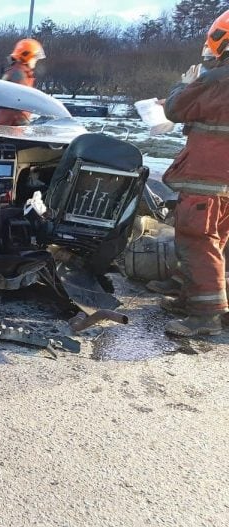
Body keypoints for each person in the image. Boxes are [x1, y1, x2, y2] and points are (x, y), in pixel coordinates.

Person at [159, 9, 229, 337]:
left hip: (206, 177)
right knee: (214, 240)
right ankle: (196, 299)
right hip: (224, 184)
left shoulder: (216, 78)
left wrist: (182, 84)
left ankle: (205, 316)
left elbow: (176, 108)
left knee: (196, 239)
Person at [0, 38, 46, 126]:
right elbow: (18, 103)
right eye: (35, 58)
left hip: (9, 128)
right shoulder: (18, 74)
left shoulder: (17, 71)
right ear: (27, 56)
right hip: (11, 129)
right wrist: (23, 123)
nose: (36, 60)